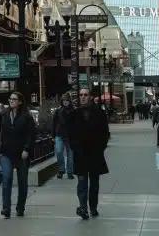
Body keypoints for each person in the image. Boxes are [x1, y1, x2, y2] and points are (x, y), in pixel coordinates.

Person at [0, 91, 36, 219]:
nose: (11, 101)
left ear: (20, 102)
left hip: (21, 154)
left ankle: (20, 207)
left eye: (14, 99)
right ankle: (6, 208)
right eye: (10, 99)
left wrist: (27, 149)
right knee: (7, 179)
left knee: (22, 182)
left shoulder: (26, 116)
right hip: (6, 153)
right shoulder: (3, 114)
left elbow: (31, 134)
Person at [69, 87, 110, 220]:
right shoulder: (74, 114)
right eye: (81, 95)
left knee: (94, 184)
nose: (83, 97)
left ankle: (93, 207)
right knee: (81, 183)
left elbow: (105, 133)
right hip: (80, 155)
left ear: (90, 97)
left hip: (95, 154)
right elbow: (71, 135)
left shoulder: (99, 113)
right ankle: (83, 208)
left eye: (85, 95)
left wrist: (100, 148)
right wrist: (75, 148)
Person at [52, 94, 74, 179]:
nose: (65, 102)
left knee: (70, 155)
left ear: (69, 101)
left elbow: (76, 124)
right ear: (62, 101)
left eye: (67, 100)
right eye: (64, 100)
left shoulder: (73, 111)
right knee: (58, 151)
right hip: (59, 134)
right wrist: (53, 135)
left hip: (70, 136)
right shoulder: (58, 111)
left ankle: (70, 172)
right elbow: (54, 123)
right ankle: (61, 170)